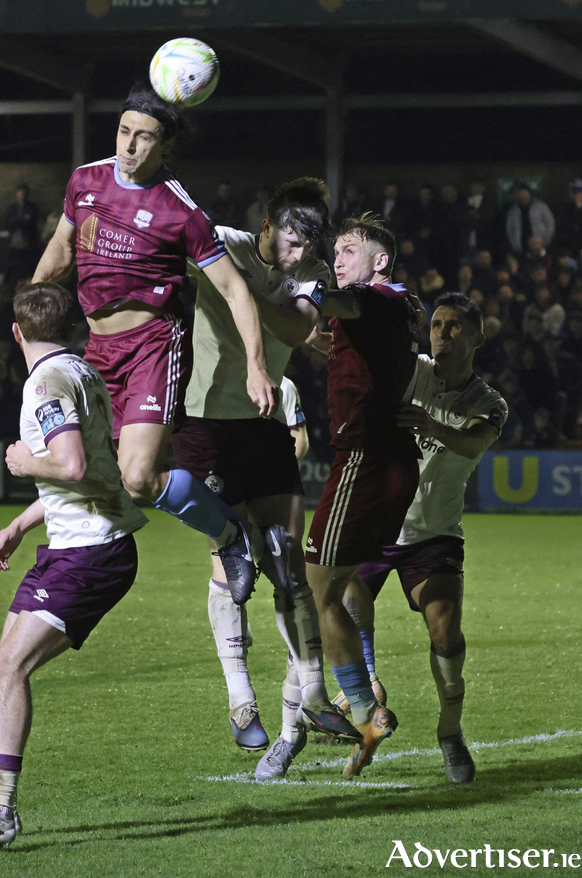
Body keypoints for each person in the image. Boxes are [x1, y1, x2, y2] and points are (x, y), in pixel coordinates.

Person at [32, 86, 278, 600]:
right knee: (109, 475)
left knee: (139, 477)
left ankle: (229, 535)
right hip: (95, 351)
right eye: (124, 132)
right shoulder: (86, 181)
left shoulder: (181, 211)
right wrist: (32, 318)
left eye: (144, 138)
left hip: (152, 346)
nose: (130, 146)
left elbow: (235, 290)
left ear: (164, 147)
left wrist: (257, 366)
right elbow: (61, 248)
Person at [0, 282, 148, 847]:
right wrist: (21, 525)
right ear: (72, 331)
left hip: (91, 553)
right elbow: (92, 466)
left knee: (7, 669)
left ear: (17, 333)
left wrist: (26, 462)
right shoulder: (81, 372)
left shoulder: (45, 383)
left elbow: (71, 464)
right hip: (72, 546)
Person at [172, 178, 360, 777]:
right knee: (230, 567)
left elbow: (289, 328)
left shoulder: (309, 277)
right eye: (291, 235)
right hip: (205, 421)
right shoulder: (220, 242)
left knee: (285, 558)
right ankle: (238, 697)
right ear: (268, 223)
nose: (298, 250)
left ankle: (309, 693)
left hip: (265, 421)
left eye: (309, 241)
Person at [351, 293, 507, 783]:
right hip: (381, 520)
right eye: (437, 324)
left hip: (434, 533)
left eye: (455, 325)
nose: (442, 332)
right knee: (341, 594)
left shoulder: (489, 402)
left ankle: (450, 732)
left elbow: (473, 441)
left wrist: (433, 425)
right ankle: (364, 690)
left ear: (479, 337)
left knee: (445, 632)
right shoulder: (412, 369)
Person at [304, 212, 422, 779]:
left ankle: (360, 704)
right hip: (389, 462)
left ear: (379, 260)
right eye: (336, 252)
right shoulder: (391, 308)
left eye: (350, 249)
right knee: (348, 580)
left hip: (363, 460)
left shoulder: (374, 299)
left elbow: (342, 304)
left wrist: (300, 283)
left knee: (315, 587)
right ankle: (364, 689)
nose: (338, 258)